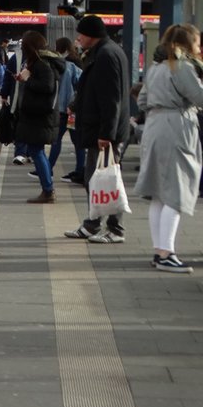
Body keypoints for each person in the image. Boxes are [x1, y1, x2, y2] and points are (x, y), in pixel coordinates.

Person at [132, 24, 203, 273]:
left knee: (159, 193)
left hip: (155, 126)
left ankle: (159, 249)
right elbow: (200, 97)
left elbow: (141, 100)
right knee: (176, 190)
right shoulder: (181, 67)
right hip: (176, 127)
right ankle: (166, 252)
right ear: (188, 44)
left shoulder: (156, 68)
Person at [64, 14, 131, 244]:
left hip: (105, 133)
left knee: (107, 180)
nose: (78, 38)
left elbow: (111, 98)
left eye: (81, 33)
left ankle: (115, 229)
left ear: (91, 35)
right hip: (100, 130)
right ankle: (93, 224)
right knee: (95, 180)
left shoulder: (106, 55)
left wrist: (106, 134)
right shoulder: (106, 51)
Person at [12, 31, 66, 204]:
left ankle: (48, 190)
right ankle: (47, 189)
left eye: (24, 47)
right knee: (37, 151)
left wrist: (27, 80)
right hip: (41, 115)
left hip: (39, 116)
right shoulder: (44, 62)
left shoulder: (42, 64)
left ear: (30, 47)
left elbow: (47, 86)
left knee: (36, 151)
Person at [51, 37, 83, 184]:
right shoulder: (76, 62)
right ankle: (80, 170)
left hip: (65, 110)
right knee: (77, 141)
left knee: (57, 139)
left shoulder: (65, 65)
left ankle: (47, 168)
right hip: (72, 110)